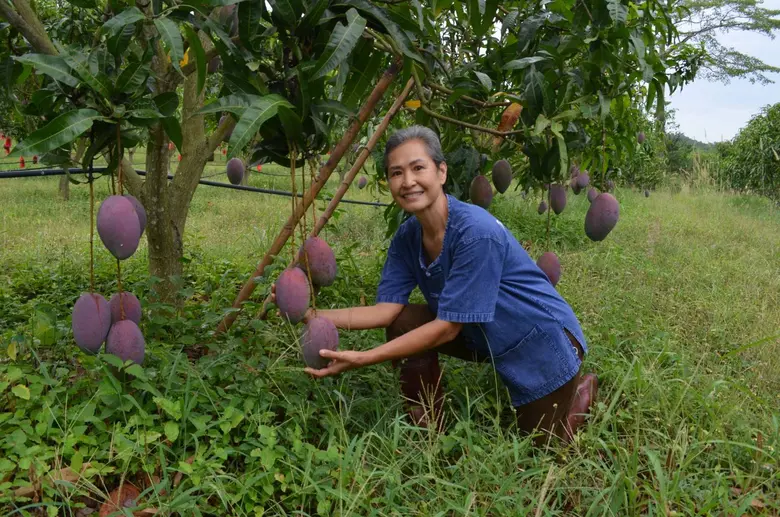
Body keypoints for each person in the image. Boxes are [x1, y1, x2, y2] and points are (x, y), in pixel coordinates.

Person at [274, 126, 598, 444]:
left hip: (541, 341)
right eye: (396, 173)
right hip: (484, 332)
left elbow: (446, 329)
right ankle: (429, 430)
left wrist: (364, 356)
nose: (408, 181)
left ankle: (581, 393)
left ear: (441, 172)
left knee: (543, 448)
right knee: (403, 320)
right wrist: (310, 314)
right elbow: (386, 311)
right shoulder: (407, 236)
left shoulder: (475, 232)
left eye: (418, 168)